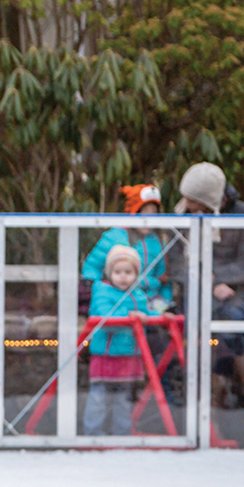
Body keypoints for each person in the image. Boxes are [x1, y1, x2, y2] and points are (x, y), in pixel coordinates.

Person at [173, 163, 244, 428]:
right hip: (199, 288)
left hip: (236, 292)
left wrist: (222, 280)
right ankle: (207, 413)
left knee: (233, 324)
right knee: (194, 331)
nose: (188, 204)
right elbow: (176, 263)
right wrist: (208, 280)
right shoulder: (182, 214)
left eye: (193, 201)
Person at [84, 245, 148, 436]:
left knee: (124, 399)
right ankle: (92, 434)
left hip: (129, 356)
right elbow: (105, 317)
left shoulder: (138, 295)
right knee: (98, 397)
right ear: (109, 273)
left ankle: (123, 433)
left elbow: (144, 312)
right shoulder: (102, 291)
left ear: (136, 274)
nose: (123, 277)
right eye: (118, 272)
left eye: (128, 272)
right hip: (106, 355)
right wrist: (130, 316)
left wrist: (158, 315)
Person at [81, 184, 170, 306]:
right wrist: (101, 296)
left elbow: (164, 278)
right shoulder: (114, 237)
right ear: (134, 212)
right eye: (144, 212)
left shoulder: (159, 242)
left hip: (151, 302)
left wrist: (167, 302)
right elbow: (92, 270)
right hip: (118, 300)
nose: (148, 219)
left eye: (153, 213)